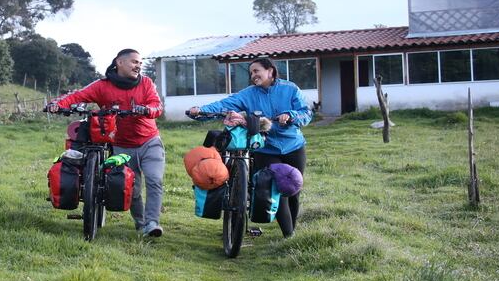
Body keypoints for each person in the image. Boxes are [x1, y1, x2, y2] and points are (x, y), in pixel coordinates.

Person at [47, 49, 166, 237]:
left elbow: (157, 106)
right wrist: (56, 104)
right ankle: (142, 225)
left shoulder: (146, 83)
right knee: (132, 186)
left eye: (140, 63)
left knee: (155, 180)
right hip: (121, 144)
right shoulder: (102, 86)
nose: (138, 66)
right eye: (134, 62)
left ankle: (153, 222)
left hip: (149, 141)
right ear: (119, 62)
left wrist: (146, 110)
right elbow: (77, 96)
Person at [188, 57, 312, 237]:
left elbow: (306, 112)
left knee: (293, 190)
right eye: (251, 73)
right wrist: (201, 110)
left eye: (256, 71)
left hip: (293, 146)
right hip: (265, 148)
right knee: (277, 188)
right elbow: (224, 104)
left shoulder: (290, 89)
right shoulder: (248, 94)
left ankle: (291, 230)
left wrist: (290, 116)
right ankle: (289, 235)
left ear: (270, 71)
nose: (253, 75)